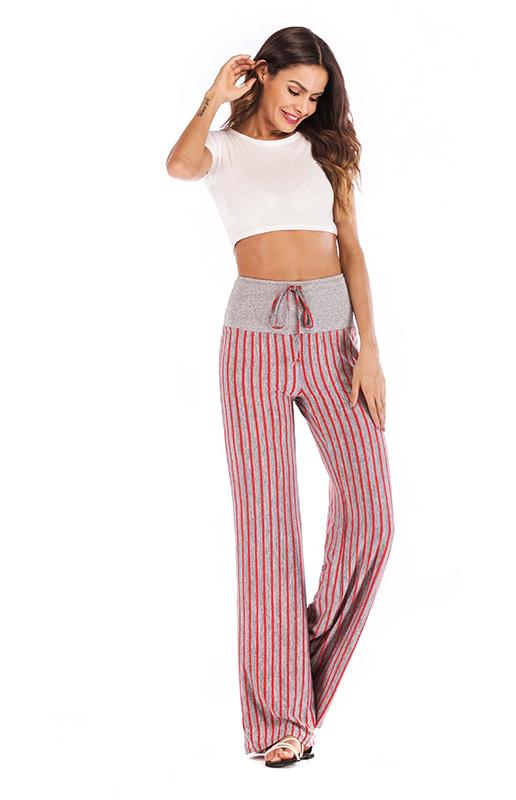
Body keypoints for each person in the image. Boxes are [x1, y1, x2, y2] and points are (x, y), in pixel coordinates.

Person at [166, 26, 395, 768]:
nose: (303, 105)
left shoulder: (329, 149)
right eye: (294, 88)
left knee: (373, 519)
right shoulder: (223, 148)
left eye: (316, 96)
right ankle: (280, 723)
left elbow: (352, 249)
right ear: (261, 74)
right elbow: (178, 165)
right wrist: (212, 97)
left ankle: (293, 669)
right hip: (252, 341)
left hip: (332, 338)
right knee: (266, 529)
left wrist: (371, 353)